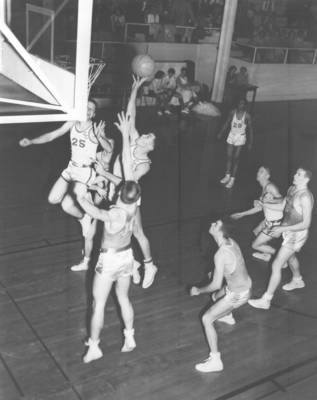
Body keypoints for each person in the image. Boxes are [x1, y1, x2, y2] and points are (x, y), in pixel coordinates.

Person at [80, 112, 141, 363]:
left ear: (119, 193)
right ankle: (129, 336)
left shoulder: (115, 212)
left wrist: (81, 192)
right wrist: (125, 135)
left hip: (110, 259)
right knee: (124, 297)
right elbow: (126, 168)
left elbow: (93, 210)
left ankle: (95, 346)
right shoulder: (134, 202)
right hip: (127, 255)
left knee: (99, 304)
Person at [19, 99, 110, 235]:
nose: (88, 111)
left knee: (66, 205)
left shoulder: (95, 129)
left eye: (91, 109)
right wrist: (32, 141)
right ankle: (84, 216)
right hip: (71, 168)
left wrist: (101, 137)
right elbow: (51, 136)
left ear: (94, 114)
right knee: (52, 199)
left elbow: (109, 149)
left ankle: (85, 207)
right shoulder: (72, 123)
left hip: (85, 172)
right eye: (86, 107)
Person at [108, 76, 158, 289]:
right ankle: (133, 263)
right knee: (117, 232)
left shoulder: (145, 163)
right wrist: (135, 89)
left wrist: (104, 175)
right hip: (115, 192)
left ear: (148, 147)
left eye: (148, 138)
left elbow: (127, 182)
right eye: (146, 134)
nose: (145, 135)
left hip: (129, 197)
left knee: (137, 232)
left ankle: (149, 265)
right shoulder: (134, 137)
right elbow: (131, 114)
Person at [190, 219, 252, 372]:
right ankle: (228, 316)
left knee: (206, 318)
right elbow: (233, 267)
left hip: (238, 294)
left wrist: (198, 290)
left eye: (216, 224)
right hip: (243, 286)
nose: (211, 224)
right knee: (215, 298)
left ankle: (216, 360)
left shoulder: (221, 254)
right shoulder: (230, 242)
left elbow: (215, 285)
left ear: (220, 231)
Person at [248, 168, 314, 310]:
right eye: (296, 173)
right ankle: (297, 280)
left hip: (296, 235)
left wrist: (281, 229)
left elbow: (306, 224)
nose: (295, 175)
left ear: (306, 179)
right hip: (288, 231)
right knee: (290, 258)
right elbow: (283, 206)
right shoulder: (292, 189)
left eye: (299, 174)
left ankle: (266, 300)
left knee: (276, 264)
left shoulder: (305, 197)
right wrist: (263, 204)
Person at [70, 129, 115, 272]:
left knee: (101, 235)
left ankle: (89, 261)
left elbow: (106, 179)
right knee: (90, 233)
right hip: (95, 195)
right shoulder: (93, 153)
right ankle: (87, 260)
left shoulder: (112, 154)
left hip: (107, 199)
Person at [231, 166, 285, 262]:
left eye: (261, 171)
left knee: (255, 245)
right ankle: (267, 255)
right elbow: (259, 208)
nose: (258, 173)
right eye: (258, 171)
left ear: (267, 176)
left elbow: (281, 200)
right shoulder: (264, 188)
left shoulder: (270, 187)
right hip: (268, 220)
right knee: (256, 231)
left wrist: (270, 200)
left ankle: (282, 257)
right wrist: (242, 214)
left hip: (275, 224)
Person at [217, 98, 254, 189]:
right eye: (239, 103)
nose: (241, 105)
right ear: (237, 104)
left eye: (242, 104)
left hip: (240, 137)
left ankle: (233, 179)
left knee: (236, 158)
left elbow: (250, 130)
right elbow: (227, 123)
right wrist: (221, 132)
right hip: (231, 135)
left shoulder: (247, 116)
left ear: (245, 105)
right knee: (229, 157)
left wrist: (250, 142)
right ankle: (227, 175)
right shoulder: (232, 112)